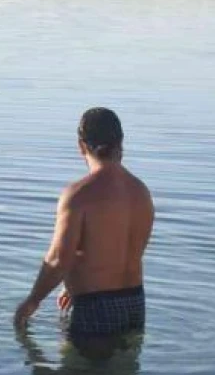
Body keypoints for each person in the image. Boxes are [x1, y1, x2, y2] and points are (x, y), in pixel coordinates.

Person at [13, 107, 154, 357]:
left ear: (81, 145)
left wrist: (33, 300)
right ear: (121, 142)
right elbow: (123, 251)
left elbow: (58, 259)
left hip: (95, 310)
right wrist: (73, 284)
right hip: (135, 304)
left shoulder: (79, 196)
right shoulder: (141, 192)